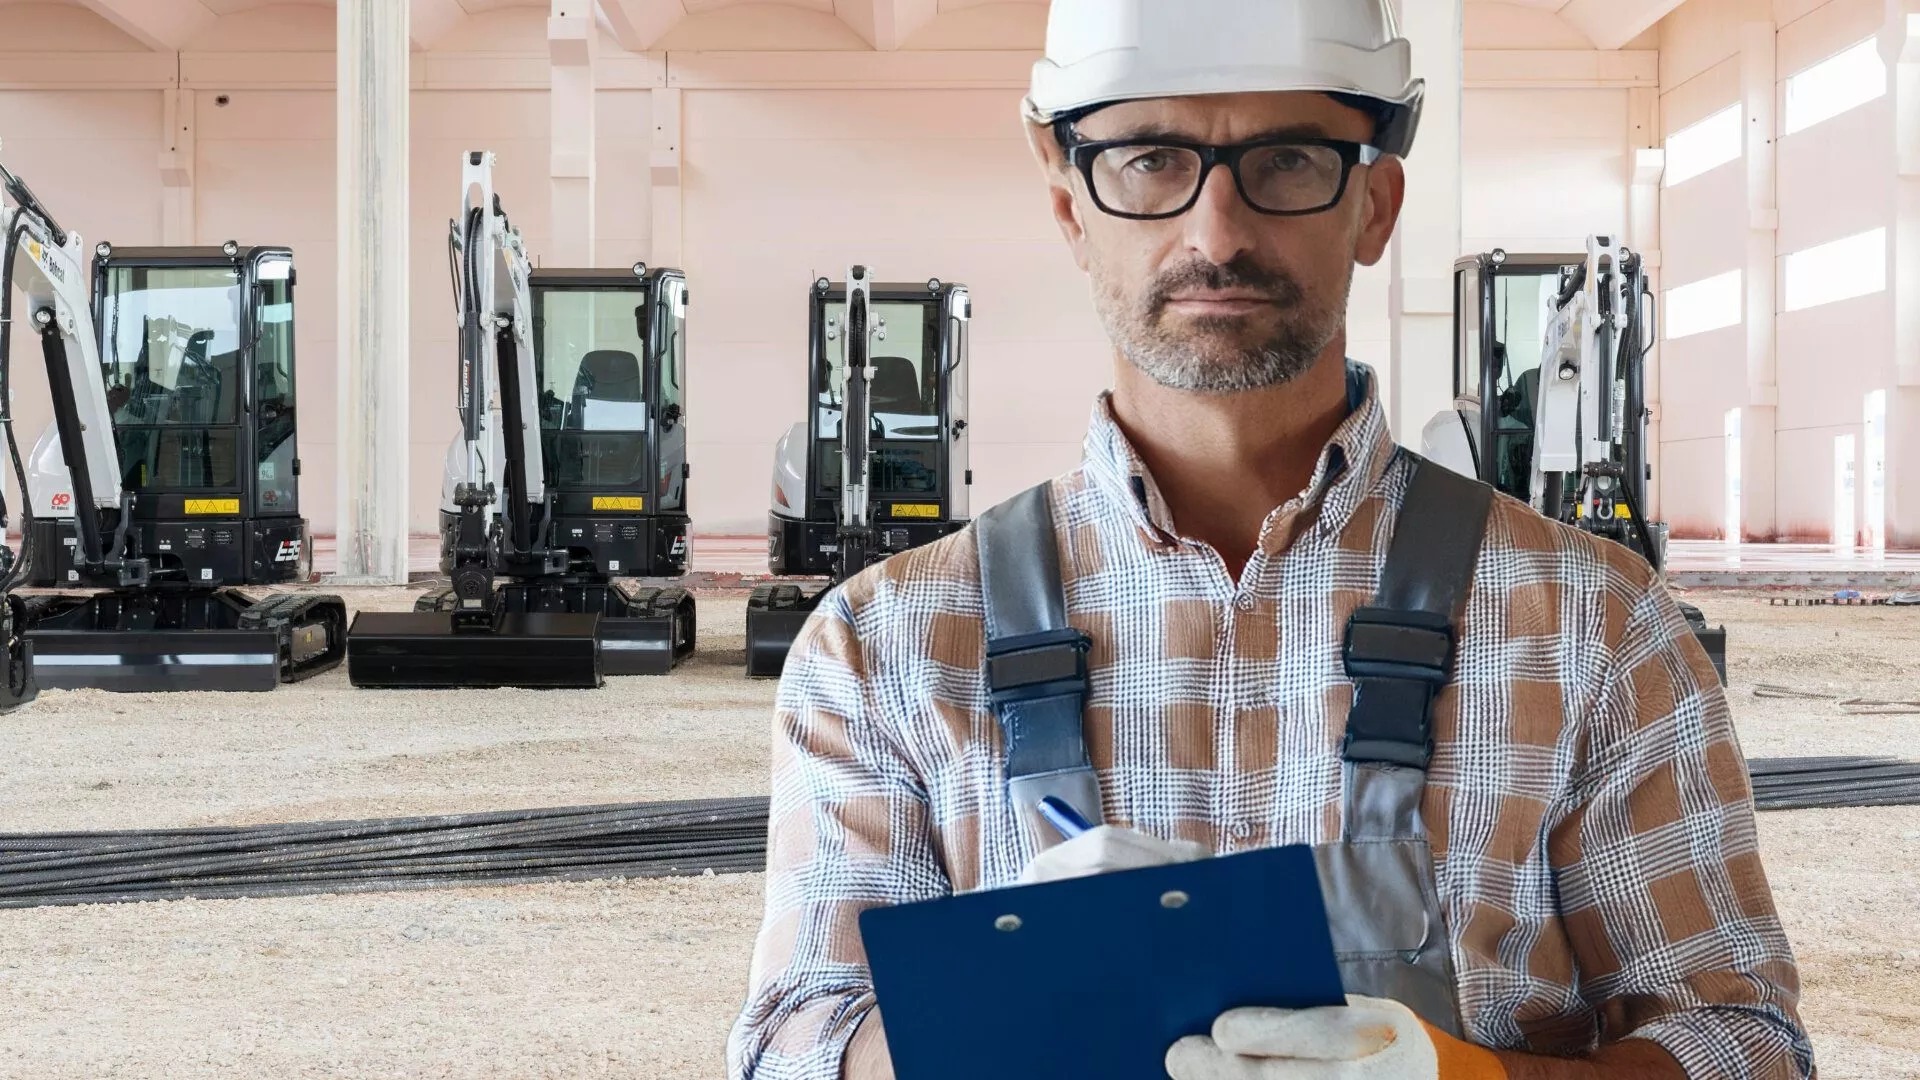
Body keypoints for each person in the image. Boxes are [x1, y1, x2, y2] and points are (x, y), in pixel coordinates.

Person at [728, 1, 1813, 1078]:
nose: (1216, 234)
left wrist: (1475, 1079)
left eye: (1287, 160)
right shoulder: (886, 645)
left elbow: (1744, 1047)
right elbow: (792, 1045)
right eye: (1151, 160)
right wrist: (988, 1020)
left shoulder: (1593, 624)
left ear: (1376, 205)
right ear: (1071, 210)